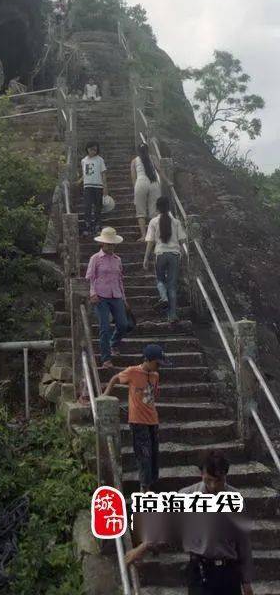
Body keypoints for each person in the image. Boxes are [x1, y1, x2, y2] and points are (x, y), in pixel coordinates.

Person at [125, 450, 253, 595]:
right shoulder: (188, 495)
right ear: (202, 474)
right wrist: (142, 548)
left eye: (218, 481)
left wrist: (246, 581)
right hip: (200, 571)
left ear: (225, 476)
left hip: (228, 572)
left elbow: (243, 542)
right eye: (209, 480)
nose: (212, 486)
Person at [104, 343, 170, 490]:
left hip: (153, 420)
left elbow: (154, 395)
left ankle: (149, 486)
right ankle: (144, 489)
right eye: (157, 363)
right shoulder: (132, 372)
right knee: (144, 455)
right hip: (138, 421)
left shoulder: (155, 375)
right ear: (147, 359)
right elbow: (115, 378)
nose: (159, 367)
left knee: (154, 454)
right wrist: (105, 394)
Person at [85, 226, 128, 369]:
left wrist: (124, 298)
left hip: (116, 295)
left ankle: (113, 344)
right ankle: (106, 359)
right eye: (108, 244)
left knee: (123, 324)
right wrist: (92, 293)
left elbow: (120, 279)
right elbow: (89, 278)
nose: (111, 246)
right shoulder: (95, 259)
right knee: (104, 327)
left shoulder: (117, 260)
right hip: (101, 296)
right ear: (102, 244)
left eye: (113, 244)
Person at [143, 196, 187, 327]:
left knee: (160, 280)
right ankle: (172, 315)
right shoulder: (176, 222)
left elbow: (150, 241)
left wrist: (145, 258)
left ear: (157, 207)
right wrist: (183, 256)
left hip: (160, 254)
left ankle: (163, 297)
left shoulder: (153, 222)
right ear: (169, 207)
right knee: (172, 285)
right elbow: (182, 241)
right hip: (174, 255)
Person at [131, 143, 161, 241]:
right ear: (148, 150)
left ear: (138, 151)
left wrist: (135, 190)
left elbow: (133, 178)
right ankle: (155, 235)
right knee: (154, 211)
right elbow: (160, 170)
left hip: (140, 183)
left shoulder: (134, 161)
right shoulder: (153, 158)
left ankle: (144, 236)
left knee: (141, 211)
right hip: (153, 182)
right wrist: (168, 181)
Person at [79, 142, 108, 236]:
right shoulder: (83, 160)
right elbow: (84, 174)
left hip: (98, 186)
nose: (93, 151)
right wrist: (78, 182)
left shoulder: (100, 160)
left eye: (95, 149)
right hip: (87, 186)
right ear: (87, 149)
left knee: (97, 207)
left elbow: (103, 174)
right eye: (91, 149)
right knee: (87, 206)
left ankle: (97, 225)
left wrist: (105, 187)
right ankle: (87, 226)